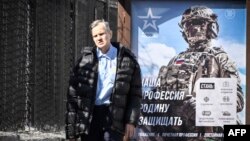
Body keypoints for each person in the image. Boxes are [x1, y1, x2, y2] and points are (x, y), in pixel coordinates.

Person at [155, 5, 244, 141]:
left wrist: (203, 106)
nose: (190, 28)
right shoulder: (175, 60)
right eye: (186, 24)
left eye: (196, 22)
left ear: (210, 27)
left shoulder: (219, 57)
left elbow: (237, 100)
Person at [65, 19, 142, 141]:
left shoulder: (127, 60)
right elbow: (73, 96)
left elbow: (135, 94)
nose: (99, 38)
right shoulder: (84, 61)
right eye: (95, 36)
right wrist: (71, 131)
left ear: (110, 34)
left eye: (101, 34)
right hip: (90, 118)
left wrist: (131, 121)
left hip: (113, 118)